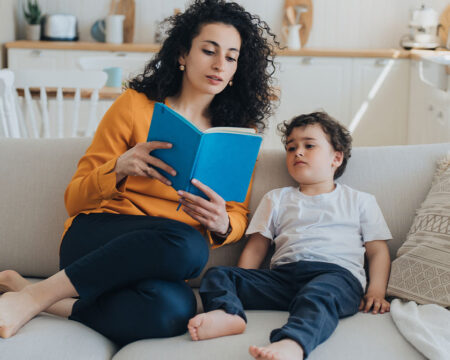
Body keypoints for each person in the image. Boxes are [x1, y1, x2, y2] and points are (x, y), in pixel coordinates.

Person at [0, 0, 278, 345]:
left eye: (231, 57)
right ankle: (34, 298)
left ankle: (31, 292)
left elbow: (236, 212)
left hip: (160, 258)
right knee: (190, 246)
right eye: (209, 50)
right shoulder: (134, 106)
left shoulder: (236, 133)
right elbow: (75, 199)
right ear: (182, 54)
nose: (220, 64)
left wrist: (223, 224)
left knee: (173, 311)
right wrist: (117, 169)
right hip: (98, 237)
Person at [188, 112, 392, 360]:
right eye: (291, 147)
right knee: (219, 274)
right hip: (284, 278)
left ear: (336, 158)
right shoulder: (277, 198)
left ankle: (293, 343)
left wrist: (376, 291)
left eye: (309, 145)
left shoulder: (359, 200)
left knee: (318, 296)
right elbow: (256, 247)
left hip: (336, 277)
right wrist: (244, 281)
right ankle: (228, 314)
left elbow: (378, 251)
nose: (298, 152)